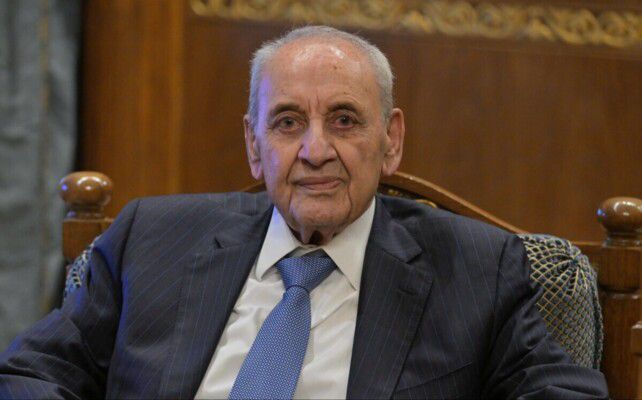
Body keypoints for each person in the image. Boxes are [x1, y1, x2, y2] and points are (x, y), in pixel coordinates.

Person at [0, 26, 608, 399]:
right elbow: (33, 373)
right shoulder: (153, 239)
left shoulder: (477, 270)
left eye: (344, 120)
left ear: (391, 140)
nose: (316, 150)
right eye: (288, 122)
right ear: (253, 145)